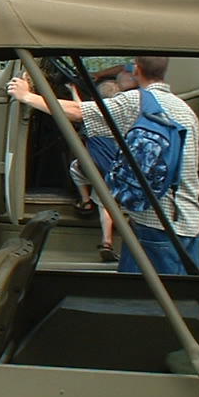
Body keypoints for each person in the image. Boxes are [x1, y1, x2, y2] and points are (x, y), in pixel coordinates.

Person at [9, 56, 199, 274]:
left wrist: (26, 96)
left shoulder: (136, 102)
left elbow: (79, 112)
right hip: (187, 220)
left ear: (136, 70)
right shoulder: (185, 110)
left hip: (155, 225)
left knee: (145, 301)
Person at [68, 78, 122, 262]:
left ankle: (85, 201)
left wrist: (73, 91)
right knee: (106, 204)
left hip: (93, 167)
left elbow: (78, 108)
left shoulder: (94, 117)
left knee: (74, 168)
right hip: (115, 169)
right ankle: (106, 242)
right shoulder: (122, 118)